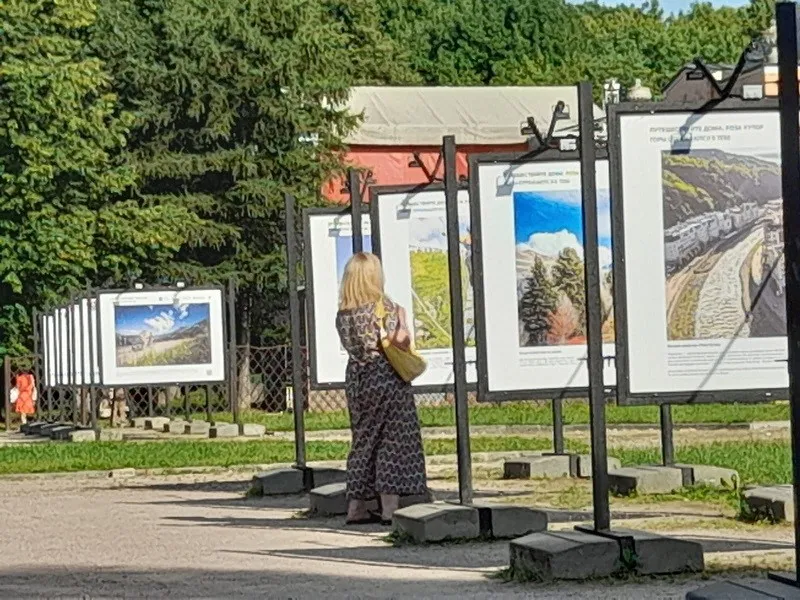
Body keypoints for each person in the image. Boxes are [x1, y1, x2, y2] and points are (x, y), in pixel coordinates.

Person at [335, 252, 428, 525]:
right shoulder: (383, 306)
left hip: (357, 377)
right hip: (385, 376)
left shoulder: (343, 314)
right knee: (392, 440)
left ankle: (356, 506)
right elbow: (398, 341)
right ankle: (389, 509)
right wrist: (403, 320)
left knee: (363, 439)